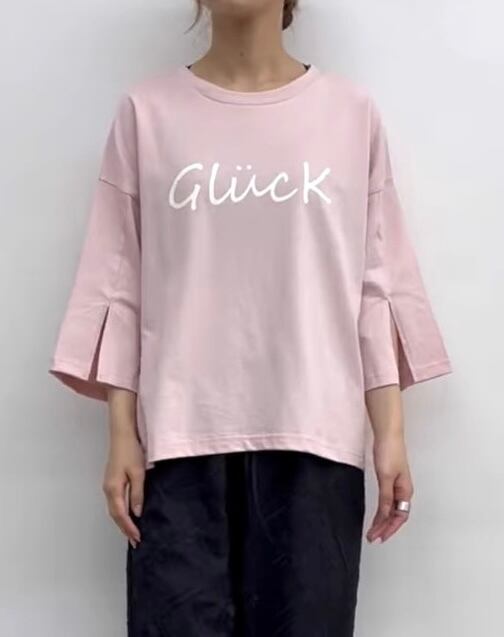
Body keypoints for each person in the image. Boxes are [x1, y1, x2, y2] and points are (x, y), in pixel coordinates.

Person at [48, 1, 453, 635]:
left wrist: (391, 434)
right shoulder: (146, 113)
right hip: (177, 443)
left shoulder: (350, 115)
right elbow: (119, 280)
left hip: (315, 439)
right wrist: (121, 432)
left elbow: (378, 282)